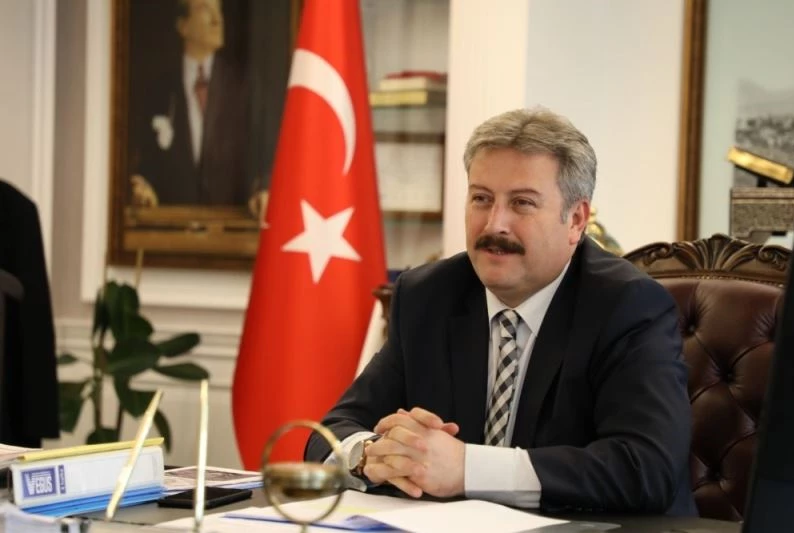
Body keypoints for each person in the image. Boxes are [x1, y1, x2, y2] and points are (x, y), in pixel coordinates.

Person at [305, 107, 697, 515]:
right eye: (481, 198)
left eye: (522, 203)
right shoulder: (429, 295)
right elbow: (329, 434)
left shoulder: (626, 305)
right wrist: (373, 455)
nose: (495, 225)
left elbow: (645, 468)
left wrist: (468, 468)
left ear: (576, 220)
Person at [131, 0, 252, 206]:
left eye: (219, 10)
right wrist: (142, 187)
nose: (217, 20)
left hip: (228, 222)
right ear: (182, 25)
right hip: (172, 220)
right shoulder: (158, 90)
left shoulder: (241, 87)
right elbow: (145, 164)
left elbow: (258, 162)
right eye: (205, 9)